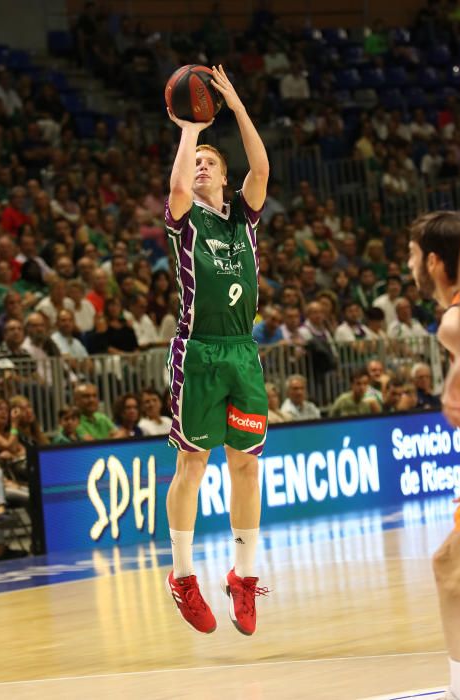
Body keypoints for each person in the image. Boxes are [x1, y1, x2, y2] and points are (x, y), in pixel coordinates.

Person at [164, 64, 270, 636]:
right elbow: (178, 188)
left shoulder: (244, 222)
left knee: (246, 466)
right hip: (198, 350)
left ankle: (243, 577)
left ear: (224, 180)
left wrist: (235, 105)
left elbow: (262, 166)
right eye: (196, 161)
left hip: (241, 352)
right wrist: (188, 128)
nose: (201, 165)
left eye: (209, 161)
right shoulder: (185, 222)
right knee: (194, 462)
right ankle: (182, 576)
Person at [409, 209, 460, 700]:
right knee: (450, 567)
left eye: (411, 254)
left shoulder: (456, 323)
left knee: (451, 567)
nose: (407, 262)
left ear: (434, 262)